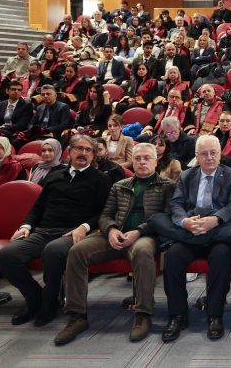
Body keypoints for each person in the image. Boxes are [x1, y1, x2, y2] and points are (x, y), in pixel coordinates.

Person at [54, 143, 176, 345]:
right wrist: (111, 229)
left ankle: (143, 314)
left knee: (143, 252)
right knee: (77, 251)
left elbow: (167, 217)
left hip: (146, 236)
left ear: (156, 161)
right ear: (132, 161)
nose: (142, 162)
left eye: (147, 158)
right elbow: (105, 215)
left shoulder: (168, 186)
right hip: (114, 235)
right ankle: (77, 316)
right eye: (137, 158)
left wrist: (139, 231)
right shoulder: (120, 185)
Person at [0, 135, 112, 327]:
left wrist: (84, 227)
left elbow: (103, 212)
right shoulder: (55, 175)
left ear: (93, 155)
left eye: (88, 150)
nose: (83, 153)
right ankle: (34, 298)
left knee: (53, 251)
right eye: (79, 148)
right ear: (70, 152)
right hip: (43, 230)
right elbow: (38, 207)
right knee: (7, 255)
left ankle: (49, 303)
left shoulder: (101, 179)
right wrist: (26, 226)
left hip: (71, 232)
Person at [148, 135, 231, 342]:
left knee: (221, 256)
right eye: (204, 154)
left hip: (219, 232)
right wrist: (185, 222)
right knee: (173, 257)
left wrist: (215, 219)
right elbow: (176, 204)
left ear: (220, 154)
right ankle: (177, 315)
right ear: (196, 156)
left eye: (213, 153)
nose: (209, 157)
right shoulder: (187, 175)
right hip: (191, 231)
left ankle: (215, 315)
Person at [13, 84, 72, 148]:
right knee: (16, 141)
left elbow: (64, 124)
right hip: (37, 133)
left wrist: (46, 130)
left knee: (40, 143)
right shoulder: (40, 107)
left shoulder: (63, 107)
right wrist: (31, 130)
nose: (45, 96)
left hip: (52, 133)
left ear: (55, 95)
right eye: (43, 94)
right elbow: (31, 123)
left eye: (48, 94)